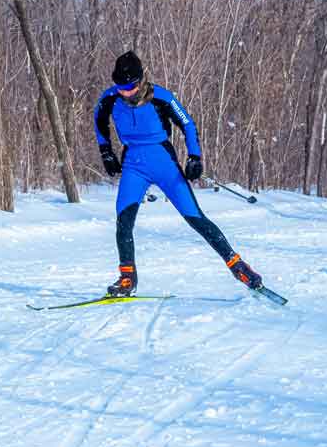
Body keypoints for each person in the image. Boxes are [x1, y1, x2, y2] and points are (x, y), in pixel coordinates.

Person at [94, 51, 264, 296]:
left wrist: (194, 157)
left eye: (130, 87)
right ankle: (127, 278)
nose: (125, 92)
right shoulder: (109, 98)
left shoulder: (161, 97)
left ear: (140, 81)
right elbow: (99, 121)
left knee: (196, 219)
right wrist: (106, 153)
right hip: (134, 165)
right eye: (121, 87)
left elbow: (187, 124)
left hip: (164, 164)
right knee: (123, 222)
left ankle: (239, 267)